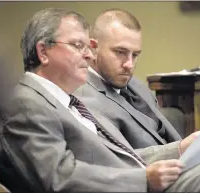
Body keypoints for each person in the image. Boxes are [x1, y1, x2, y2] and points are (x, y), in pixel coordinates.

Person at [0, 8, 200, 193]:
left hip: (130, 182)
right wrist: (143, 180)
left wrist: (178, 150)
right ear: (43, 51)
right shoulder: (25, 103)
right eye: (78, 45)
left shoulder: (66, 100)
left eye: (89, 46)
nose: (88, 55)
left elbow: (120, 157)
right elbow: (59, 178)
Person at [74, 8, 182, 149]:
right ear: (94, 48)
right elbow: (119, 160)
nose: (129, 64)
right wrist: (179, 149)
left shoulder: (136, 84)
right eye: (120, 52)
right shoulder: (84, 99)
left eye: (135, 55)